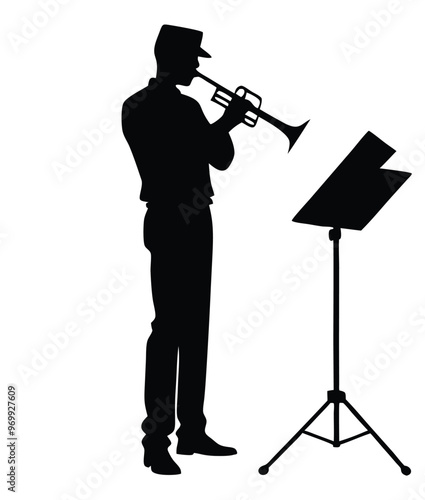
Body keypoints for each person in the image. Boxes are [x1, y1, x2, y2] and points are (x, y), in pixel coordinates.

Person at [121, 24, 249, 475]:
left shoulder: (162, 106)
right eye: (192, 60)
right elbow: (203, 154)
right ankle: (157, 442)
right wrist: (226, 123)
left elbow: (216, 156)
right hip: (176, 217)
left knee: (192, 328)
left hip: (186, 217)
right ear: (171, 58)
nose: (197, 68)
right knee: (170, 329)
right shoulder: (158, 106)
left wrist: (217, 128)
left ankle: (191, 431)